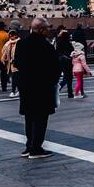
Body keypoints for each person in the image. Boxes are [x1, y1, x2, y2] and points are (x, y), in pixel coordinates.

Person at [15, 17, 60, 158]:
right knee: (41, 118)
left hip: (26, 87)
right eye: (47, 28)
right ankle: (36, 149)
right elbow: (55, 67)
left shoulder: (22, 44)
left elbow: (17, 63)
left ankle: (29, 146)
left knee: (29, 117)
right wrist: (52, 80)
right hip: (42, 87)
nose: (49, 31)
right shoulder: (46, 46)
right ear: (41, 30)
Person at [54, 27, 74, 99]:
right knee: (69, 78)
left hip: (60, 61)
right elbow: (72, 51)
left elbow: (57, 52)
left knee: (59, 77)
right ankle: (70, 93)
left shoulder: (59, 42)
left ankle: (56, 90)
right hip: (68, 61)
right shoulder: (69, 43)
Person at [1, 28, 21, 98]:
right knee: (15, 77)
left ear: (16, 35)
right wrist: (4, 59)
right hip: (10, 64)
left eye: (13, 34)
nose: (11, 36)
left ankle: (13, 91)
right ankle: (18, 90)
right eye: (10, 34)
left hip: (18, 64)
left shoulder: (20, 42)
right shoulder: (8, 43)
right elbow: (4, 52)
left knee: (15, 77)